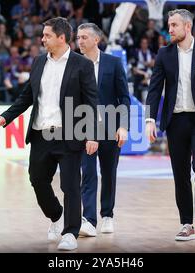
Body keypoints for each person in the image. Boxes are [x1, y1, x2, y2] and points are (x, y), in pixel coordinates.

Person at [0, 17, 98, 251]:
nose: (42, 39)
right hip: (41, 134)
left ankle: (70, 232)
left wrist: (91, 134)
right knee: (37, 180)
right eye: (43, 35)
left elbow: (91, 102)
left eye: (47, 35)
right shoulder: (39, 62)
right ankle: (57, 216)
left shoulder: (82, 65)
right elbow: (27, 96)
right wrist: (6, 117)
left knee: (70, 185)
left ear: (62, 38)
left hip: (69, 134)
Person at [145, 9, 195, 243]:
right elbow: (154, 89)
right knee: (180, 174)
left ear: (187, 27)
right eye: (169, 25)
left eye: (174, 25)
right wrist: (150, 119)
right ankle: (186, 224)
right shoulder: (164, 53)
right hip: (175, 121)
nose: (169, 29)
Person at [76, 23, 130, 236]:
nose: (80, 41)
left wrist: (123, 126)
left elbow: (124, 97)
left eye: (84, 37)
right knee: (88, 173)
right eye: (78, 37)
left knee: (108, 173)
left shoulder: (113, 63)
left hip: (110, 128)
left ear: (96, 40)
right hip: (83, 128)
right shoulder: (75, 63)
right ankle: (89, 220)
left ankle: (107, 215)